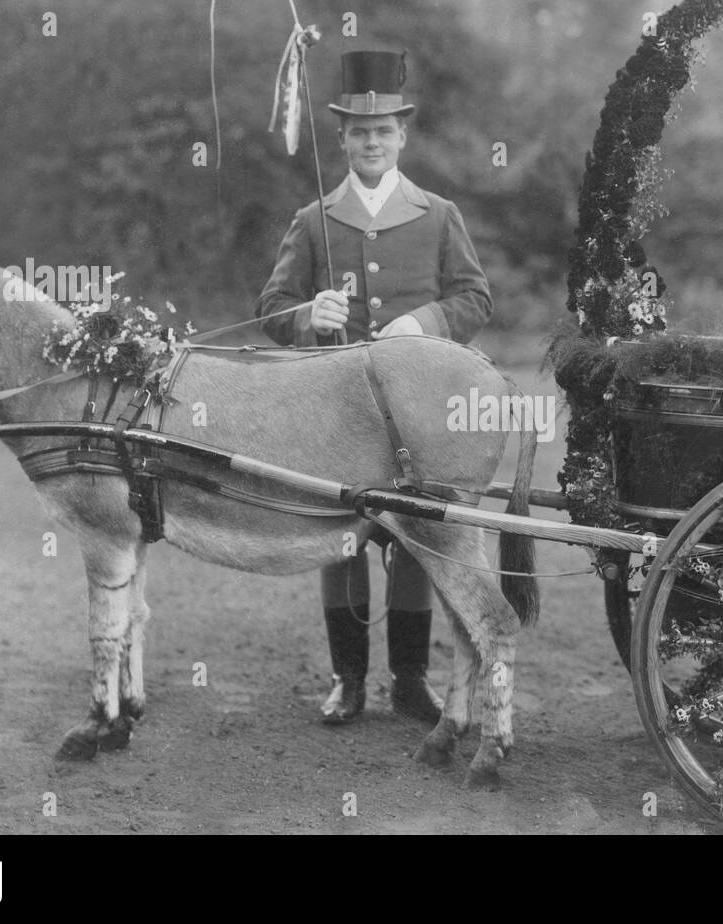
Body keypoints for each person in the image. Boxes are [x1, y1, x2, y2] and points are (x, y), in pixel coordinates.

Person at [255, 50, 492, 725]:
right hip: (338, 411)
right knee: (342, 539)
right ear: (342, 139)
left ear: (402, 136)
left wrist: (426, 320)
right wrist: (306, 315)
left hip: (419, 414)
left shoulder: (439, 214)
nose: (371, 142)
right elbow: (272, 306)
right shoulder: (313, 220)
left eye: (383, 131)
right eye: (359, 132)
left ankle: (410, 679)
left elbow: (476, 298)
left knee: (415, 538)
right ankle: (348, 679)